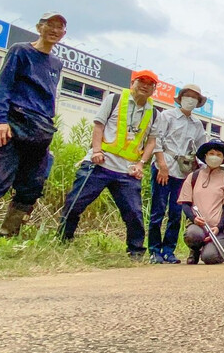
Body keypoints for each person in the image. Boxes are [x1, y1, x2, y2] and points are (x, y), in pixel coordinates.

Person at [0, 12, 66, 238]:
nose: (54, 30)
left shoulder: (56, 64)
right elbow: (4, 86)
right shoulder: (20, 51)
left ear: (63, 33)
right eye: (50, 25)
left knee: (32, 186)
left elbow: (48, 97)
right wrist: (1, 120)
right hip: (13, 123)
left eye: (60, 27)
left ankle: (8, 236)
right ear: (39, 27)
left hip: (40, 130)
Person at [58, 70, 167, 260]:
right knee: (75, 203)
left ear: (154, 89)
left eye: (150, 84)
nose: (145, 86)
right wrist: (97, 151)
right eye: (141, 81)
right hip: (100, 163)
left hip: (127, 170)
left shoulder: (155, 113)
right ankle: (62, 241)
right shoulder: (114, 99)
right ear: (133, 83)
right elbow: (99, 125)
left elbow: (151, 141)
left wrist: (141, 163)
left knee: (134, 213)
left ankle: (135, 252)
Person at [148, 84, 208, 264]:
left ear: (198, 102)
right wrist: (161, 165)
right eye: (187, 96)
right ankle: (154, 251)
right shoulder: (167, 116)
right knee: (158, 210)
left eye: (194, 98)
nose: (190, 100)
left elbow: (201, 149)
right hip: (164, 166)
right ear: (180, 98)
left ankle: (169, 250)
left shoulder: (197, 124)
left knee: (175, 213)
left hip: (183, 172)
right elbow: (156, 140)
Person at [178, 141, 224, 265]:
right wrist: (194, 219)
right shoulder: (193, 177)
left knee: (209, 257)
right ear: (205, 156)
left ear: (223, 159)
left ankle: (212, 251)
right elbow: (185, 203)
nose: (214, 157)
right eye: (211, 153)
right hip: (198, 226)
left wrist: (219, 227)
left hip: (219, 229)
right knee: (192, 234)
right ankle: (195, 250)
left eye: (218, 154)